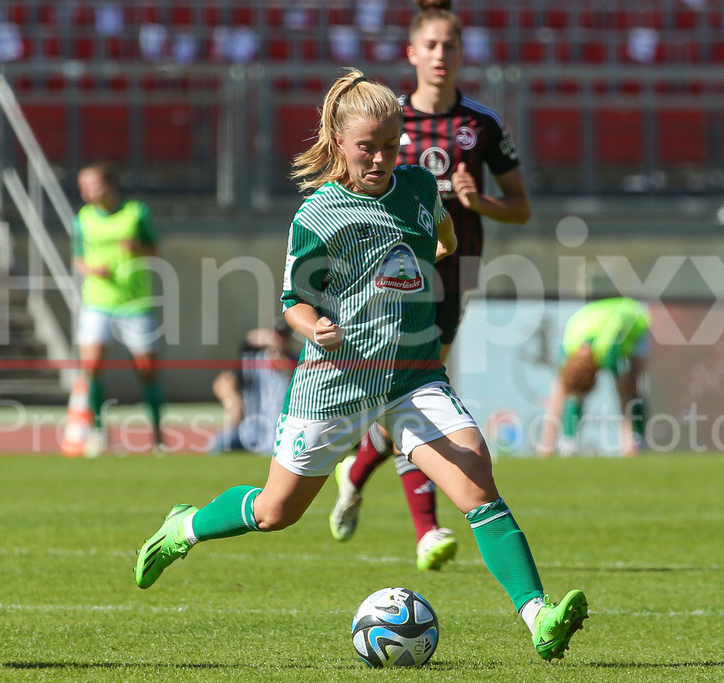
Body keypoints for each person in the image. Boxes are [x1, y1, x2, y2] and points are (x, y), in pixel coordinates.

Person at [134, 70, 587, 662]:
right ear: (338, 141)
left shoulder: (422, 188)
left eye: (391, 145)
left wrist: (430, 262)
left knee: (476, 478)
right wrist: (312, 326)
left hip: (413, 376)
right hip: (335, 384)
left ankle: (539, 617)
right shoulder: (318, 215)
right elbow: (293, 300)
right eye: (366, 146)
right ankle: (186, 526)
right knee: (276, 513)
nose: (380, 158)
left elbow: (445, 236)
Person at [328, 0, 533, 572]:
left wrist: (479, 200)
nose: (441, 55)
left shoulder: (482, 126)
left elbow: (520, 208)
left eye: (451, 46)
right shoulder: (386, 119)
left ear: (462, 53)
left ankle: (359, 466)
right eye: (432, 45)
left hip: (456, 268)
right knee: (413, 394)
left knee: (408, 397)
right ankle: (427, 530)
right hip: (386, 278)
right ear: (412, 52)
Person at [72, 162, 164, 455]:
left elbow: (154, 248)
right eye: (83, 186)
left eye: (93, 184)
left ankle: (157, 436)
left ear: (109, 183)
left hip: (135, 303)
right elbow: (77, 259)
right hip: (98, 302)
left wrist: (136, 248)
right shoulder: (83, 218)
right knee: (92, 366)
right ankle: (98, 433)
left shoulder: (136, 212)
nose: (87, 191)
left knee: (146, 369)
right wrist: (90, 269)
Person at [536, 298, 653, 457]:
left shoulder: (608, 350)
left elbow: (624, 395)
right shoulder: (569, 345)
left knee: (630, 389)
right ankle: (562, 444)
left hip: (634, 319)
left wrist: (628, 444)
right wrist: (546, 448)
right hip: (597, 317)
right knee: (564, 389)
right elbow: (560, 390)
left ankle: (635, 441)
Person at [209, 317, 297, 455]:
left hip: (278, 433)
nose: (280, 340)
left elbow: (291, 372)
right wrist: (233, 402)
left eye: (284, 336)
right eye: (277, 335)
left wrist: (280, 358)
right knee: (219, 446)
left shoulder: (296, 361)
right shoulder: (253, 360)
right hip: (248, 430)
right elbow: (222, 383)